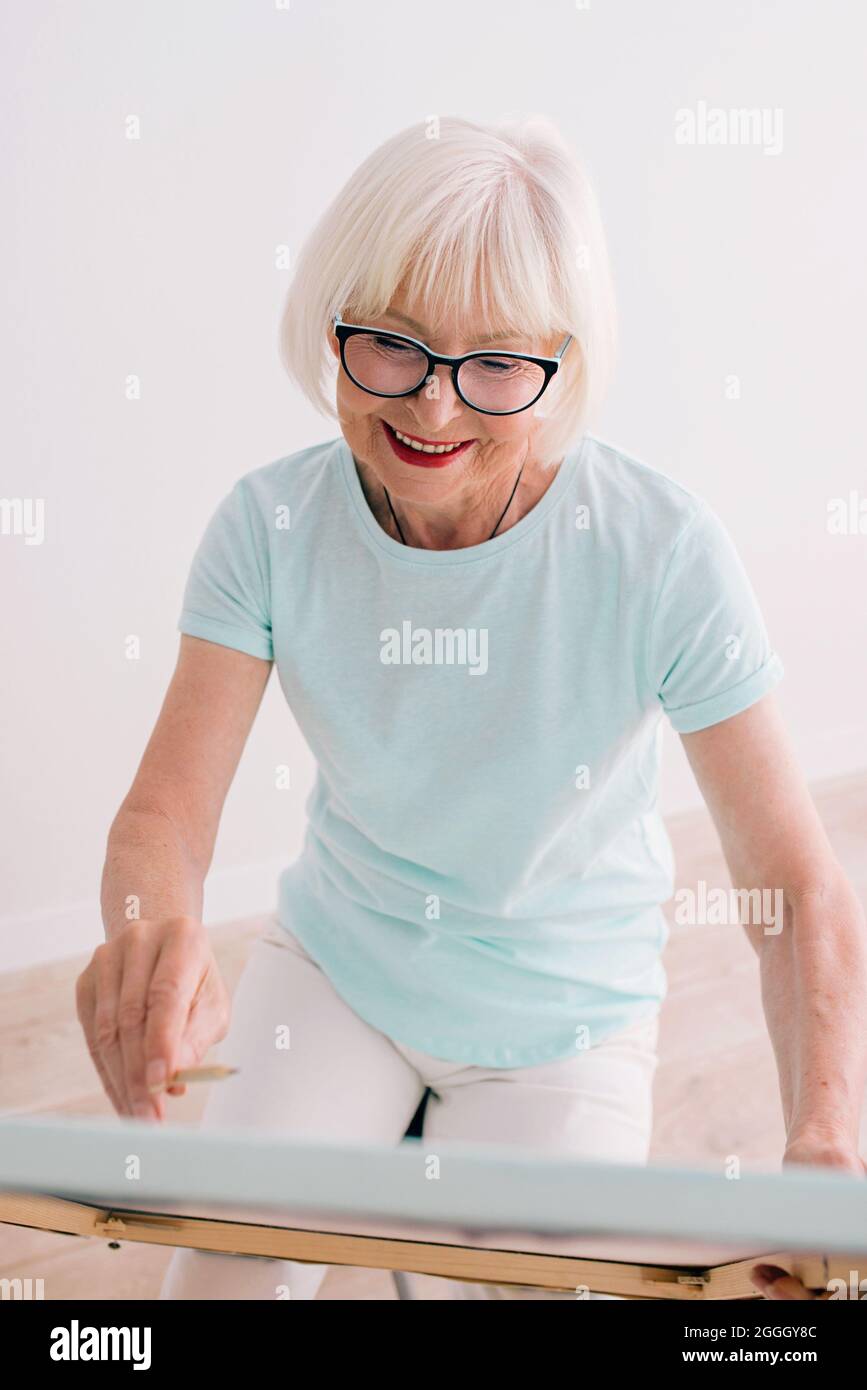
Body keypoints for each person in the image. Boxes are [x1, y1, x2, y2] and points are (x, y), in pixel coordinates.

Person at [76, 116, 866, 1301]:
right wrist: (148, 931)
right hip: (342, 967)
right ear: (333, 328)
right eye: (390, 346)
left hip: (568, 1019)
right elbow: (165, 820)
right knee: (223, 1289)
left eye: (495, 363)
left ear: (563, 363)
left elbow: (795, 886)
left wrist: (827, 1139)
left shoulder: (661, 553)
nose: (432, 411)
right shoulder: (269, 527)